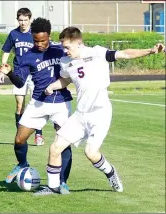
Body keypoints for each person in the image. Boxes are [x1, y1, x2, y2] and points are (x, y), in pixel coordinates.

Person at [34, 26, 165, 195]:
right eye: (63, 47)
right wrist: (52, 86)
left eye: (68, 47)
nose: (65, 51)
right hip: (80, 114)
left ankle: (110, 172)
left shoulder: (97, 53)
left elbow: (124, 54)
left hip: (100, 113)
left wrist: (151, 51)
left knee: (91, 153)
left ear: (79, 43)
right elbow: (65, 80)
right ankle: (53, 187)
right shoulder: (66, 62)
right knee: (55, 147)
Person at [0, 18, 73, 194]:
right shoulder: (25, 56)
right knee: (19, 139)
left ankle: (62, 182)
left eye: (43, 40)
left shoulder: (60, 50)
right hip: (38, 103)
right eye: (36, 40)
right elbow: (20, 83)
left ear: (50, 36)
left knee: (63, 143)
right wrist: (9, 73)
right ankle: (22, 164)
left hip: (61, 102)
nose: (39, 44)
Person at [0, 8, 44, 145]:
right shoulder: (13, 34)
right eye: (20, 20)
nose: (23, 23)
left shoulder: (36, 33)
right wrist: (2, 70)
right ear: (17, 20)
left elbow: (44, 50)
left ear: (30, 19)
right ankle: (20, 135)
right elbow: (6, 51)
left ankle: (39, 135)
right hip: (19, 73)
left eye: (25, 20)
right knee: (19, 106)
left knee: (36, 103)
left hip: (35, 73)